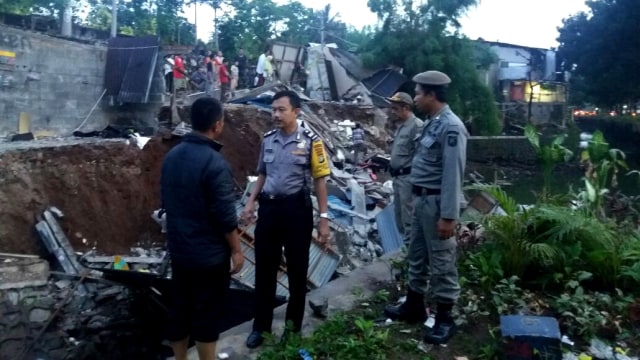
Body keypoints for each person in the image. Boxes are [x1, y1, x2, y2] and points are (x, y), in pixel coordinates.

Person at [383, 70, 468, 345]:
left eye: (418, 93)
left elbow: (452, 174)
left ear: (432, 94)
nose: (416, 98)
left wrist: (449, 216)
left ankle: (445, 318)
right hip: (420, 201)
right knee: (416, 254)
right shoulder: (432, 123)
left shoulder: (451, 127)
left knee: (442, 261)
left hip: (436, 204)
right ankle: (415, 306)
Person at [242, 90, 331, 349]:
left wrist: (323, 219)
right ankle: (261, 327)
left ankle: (292, 330)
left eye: (281, 109)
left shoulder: (312, 141)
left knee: (296, 272)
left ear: (296, 111)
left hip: (296, 211)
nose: (276, 115)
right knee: (265, 270)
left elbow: (320, 180)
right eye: (273, 110)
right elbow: (262, 174)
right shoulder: (268, 140)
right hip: (269, 211)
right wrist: (250, 203)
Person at [161, 97, 244, 360]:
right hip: (209, 258)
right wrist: (237, 250)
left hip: (180, 251)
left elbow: (167, 202)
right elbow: (225, 216)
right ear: (217, 125)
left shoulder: (171, 157)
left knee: (180, 310)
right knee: (207, 314)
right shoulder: (215, 164)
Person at [386, 92, 424, 246]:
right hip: (398, 179)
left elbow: (420, 156)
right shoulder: (401, 127)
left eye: (395, 108)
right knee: (400, 217)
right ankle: (407, 251)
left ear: (406, 107)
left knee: (409, 219)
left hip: (408, 180)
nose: (393, 112)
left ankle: (412, 256)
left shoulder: (416, 126)